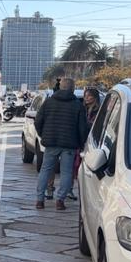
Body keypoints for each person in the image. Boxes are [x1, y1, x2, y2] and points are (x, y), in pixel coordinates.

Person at [35, 78, 88, 210]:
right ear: (73, 88)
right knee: (66, 172)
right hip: (69, 144)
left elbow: (38, 121)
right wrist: (81, 143)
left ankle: (40, 200)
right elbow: (83, 128)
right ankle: (60, 200)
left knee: (45, 170)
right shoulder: (77, 105)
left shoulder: (48, 102)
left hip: (51, 142)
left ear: (60, 87)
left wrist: (43, 134)